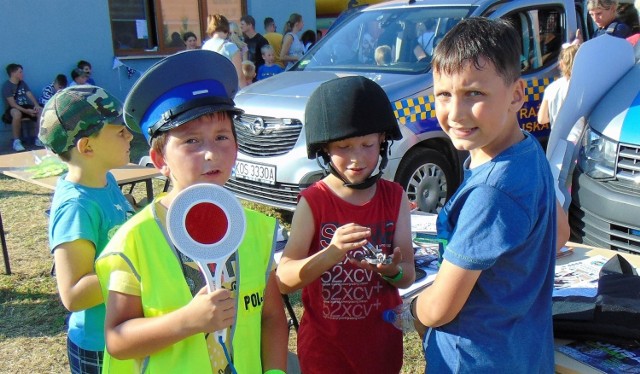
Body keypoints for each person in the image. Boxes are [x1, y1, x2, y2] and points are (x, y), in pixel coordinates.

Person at [95, 50, 288, 373]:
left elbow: (271, 317)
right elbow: (117, 338)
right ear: (160, 161)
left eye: (222, 137)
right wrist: (186, 321)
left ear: (237, 147)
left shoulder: (256, 229)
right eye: (192, 141)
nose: (211, 153)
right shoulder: (135, 241)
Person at [410, 18, 569, 372]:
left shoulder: (490, 190)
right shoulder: (527, 149)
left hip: (475, 361)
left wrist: (412, 311)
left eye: (474, 94)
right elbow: (561, 232)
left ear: (516, 95)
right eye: (444, 95)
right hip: (522, 353)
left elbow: (440, 309)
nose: (455, 113)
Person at [276, 76, 416, 374]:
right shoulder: (314, 201)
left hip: (380, 347)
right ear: (325, 149)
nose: (357, 158)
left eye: (367, 144)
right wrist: (331, 252)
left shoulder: (395, 197)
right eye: (344, 146)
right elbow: (284, 280)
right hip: (325, 352)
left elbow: (407, 276)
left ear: (383, 141)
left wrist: (393, 271)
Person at [38, 85, 136, 374]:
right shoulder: (76, 207)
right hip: (99, 346)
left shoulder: (107, 182)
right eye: (119, 131)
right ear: (87, 147)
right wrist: (136, 266)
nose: (129, 136)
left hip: (123, 333)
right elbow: (73, 294)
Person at [2, 63, 43, 151]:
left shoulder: (22, 83)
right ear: (13, 73)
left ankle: (38, 138)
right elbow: (12, 104)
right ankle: (16, 141)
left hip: (26, 107)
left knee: (41, 111)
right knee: (17, 114)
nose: (22, 74)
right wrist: (27, 111)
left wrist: (36, 105)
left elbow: (30, 95)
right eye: (20, 72)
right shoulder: (7, 86)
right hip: (13, 109)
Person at [538, 44, 580, 128]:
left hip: (557, 138)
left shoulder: (551, 88)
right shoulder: (584, 87)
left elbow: (541, 119)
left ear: (561, 64)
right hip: (578, 138)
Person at [201, 14, 246, 88]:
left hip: (211, 89)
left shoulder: (205, 46)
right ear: (226, 29)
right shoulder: (230, 47)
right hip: (228, 90)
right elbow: (239, 76)